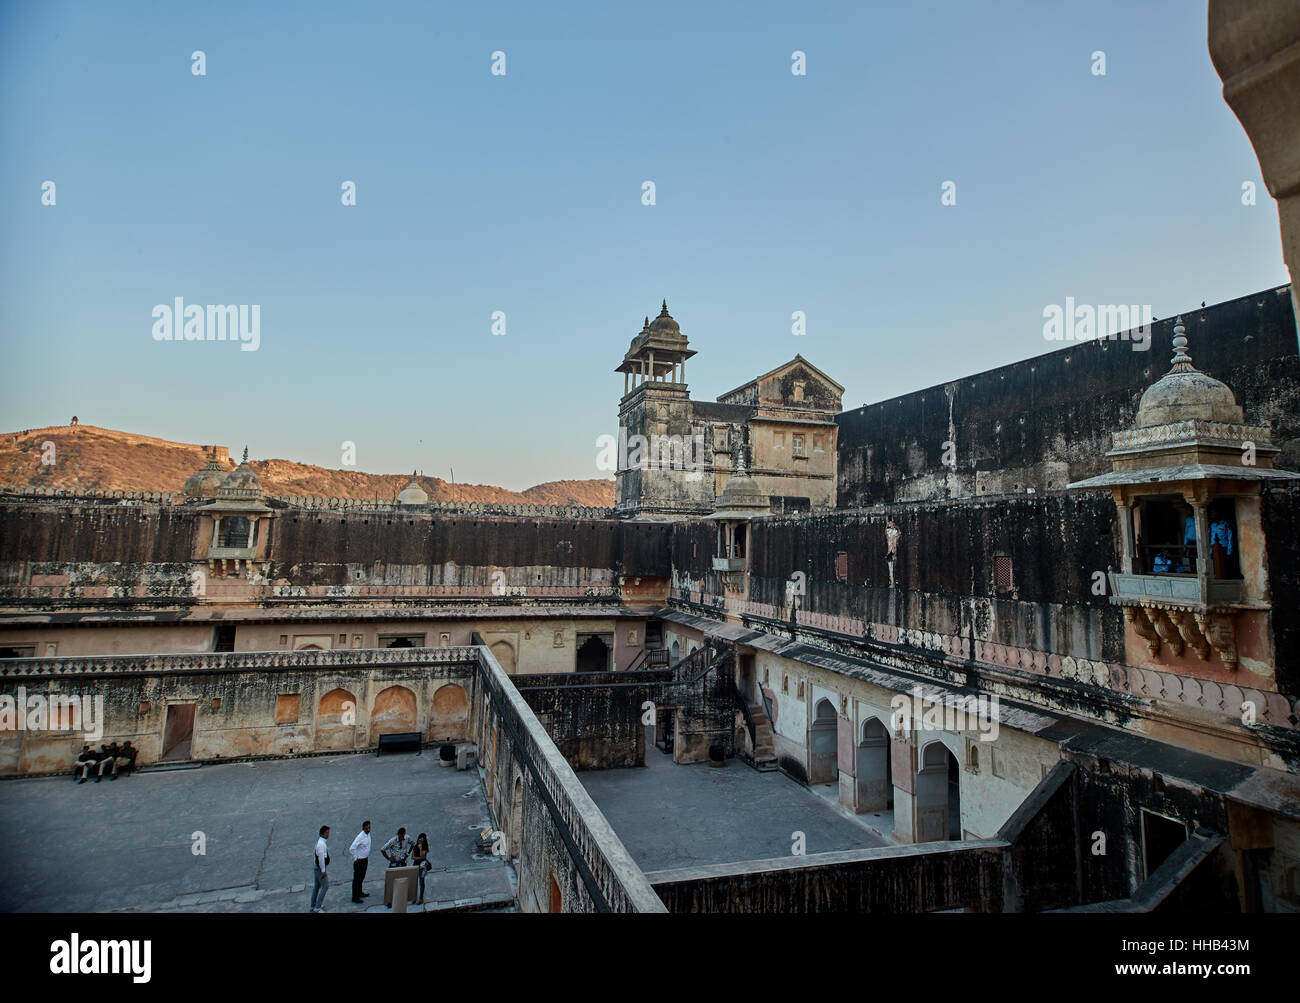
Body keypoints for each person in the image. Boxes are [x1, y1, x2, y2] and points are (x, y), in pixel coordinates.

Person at [349, 820, 372, 903]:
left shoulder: (368, 834)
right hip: (360, 861)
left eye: (369, 827)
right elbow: (352, 848)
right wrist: (356, 858)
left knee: (361, 877)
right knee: (357, 880)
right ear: (363, 828)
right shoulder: (360, 837)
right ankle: (354, 897)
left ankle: (359, 892)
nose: (368, 829)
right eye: (367, 828)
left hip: (365, 859)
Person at [311, 825, 330, 913]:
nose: (328, 834)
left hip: (316, 867)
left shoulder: (320, 842)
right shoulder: (321, 844)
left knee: (317, 886)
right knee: (325, 886)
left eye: (328, 832)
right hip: (320, 869)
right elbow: (321, 858)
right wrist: (323, 870)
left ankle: (313, 905)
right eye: (326, 833)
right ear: (322, 834)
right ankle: (317, 907)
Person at [412, 833, 431, 904]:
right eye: (420, 838)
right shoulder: (415, 845)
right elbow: (412, 857)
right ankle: (414, 898)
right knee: (414, 882)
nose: (421, 839)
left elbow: (423, 856)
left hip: (422, 866)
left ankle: (420, 898)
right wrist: (419, 857)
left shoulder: (425, 847)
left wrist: (420, 848)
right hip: (415, 865)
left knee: (421, 882)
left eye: (422, 838)